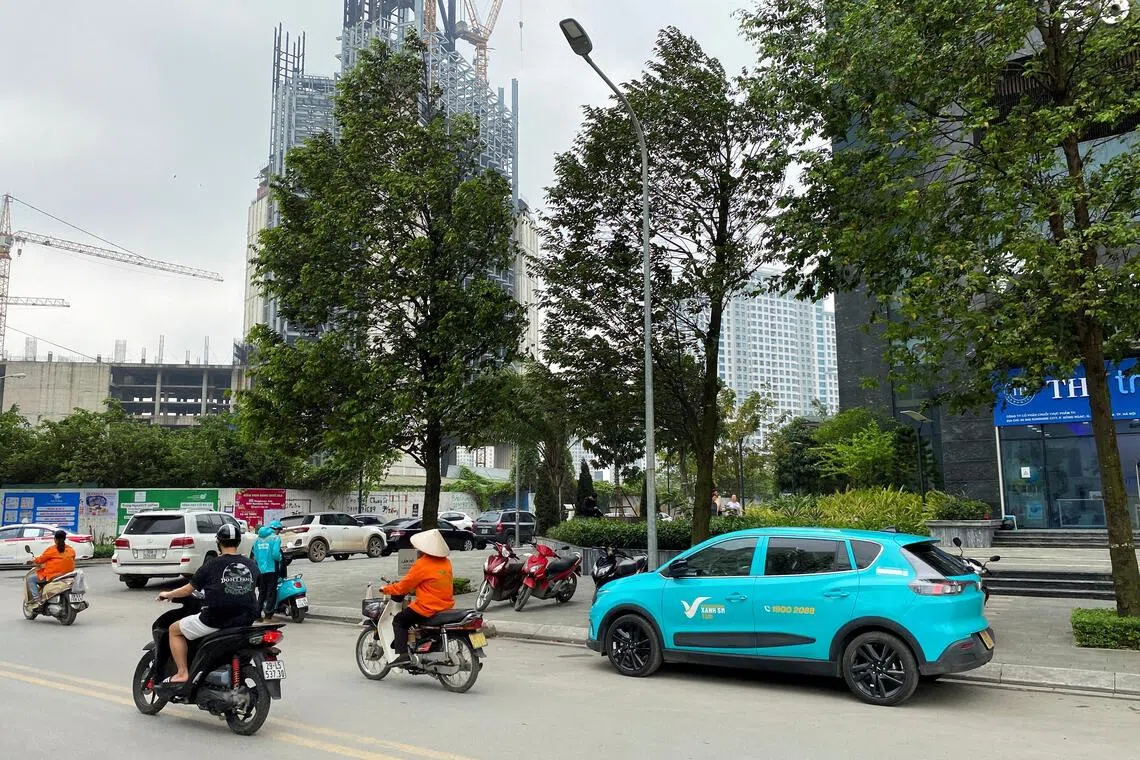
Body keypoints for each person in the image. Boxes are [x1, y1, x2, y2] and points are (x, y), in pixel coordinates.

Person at [157, 524, 259, 684]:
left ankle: (182, 673)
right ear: (238, 542)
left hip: (216, 619)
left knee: (173, 630)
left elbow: (188, 590)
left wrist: (168, 594)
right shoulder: (251, 564)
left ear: (218, 543)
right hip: (246, 620)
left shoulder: (211, 565)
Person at [381, 529, 454, 668]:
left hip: (427, 607)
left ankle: (403, 656)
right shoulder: (446, 562)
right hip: (446, 606)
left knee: (399, 620)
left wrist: (385, 589)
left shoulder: (422, 564)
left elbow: (403, 587)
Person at [26, 529, 76, 605]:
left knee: (30, 579)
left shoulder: (52, 550)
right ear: (65, 539)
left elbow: (40, 560)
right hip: (68, 575)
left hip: (54, 575)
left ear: (55, 539)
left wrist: (32, 561)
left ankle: (37, 600)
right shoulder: (70, 549)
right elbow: (72, 559)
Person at [250, 525, 282, 621]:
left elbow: (254, 555)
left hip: (260, 569)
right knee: (271, 592)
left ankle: (257, 614)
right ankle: (268, 614)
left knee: (262, 593)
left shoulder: (257, 540)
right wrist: (280, 558)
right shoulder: (275, 538)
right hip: (272, 569)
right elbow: (276, 554)